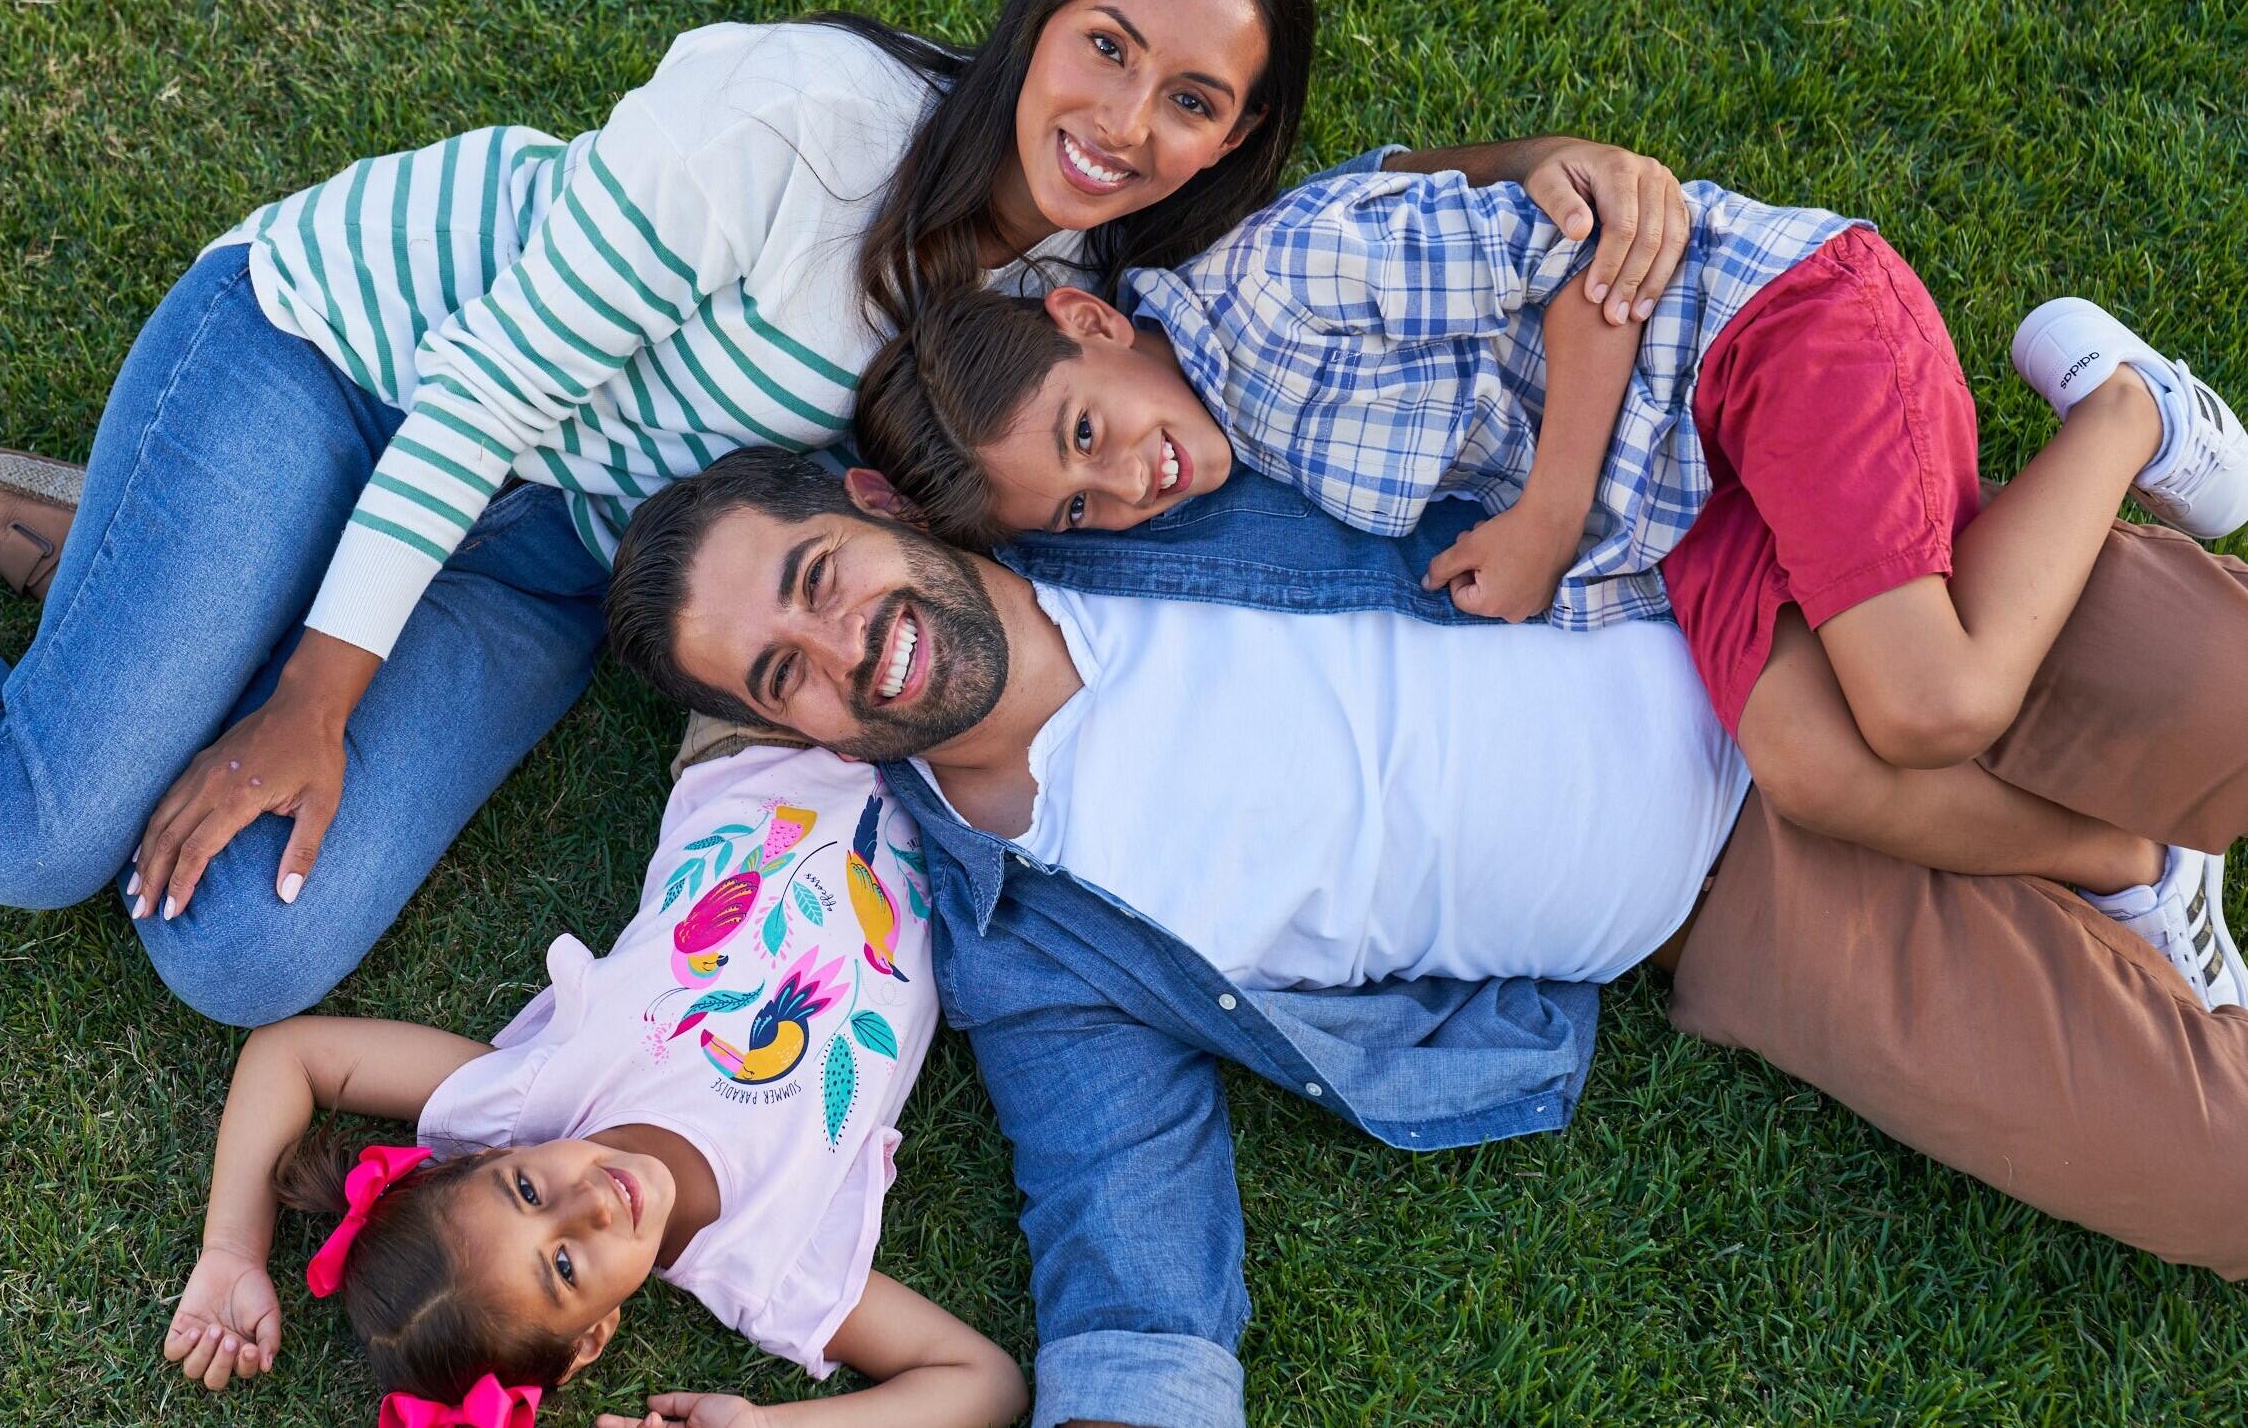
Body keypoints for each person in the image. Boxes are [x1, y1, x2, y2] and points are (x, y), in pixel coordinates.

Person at [0, 0, 1691, 1026]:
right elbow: (484, 391)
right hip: (361, 363)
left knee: (234, 955)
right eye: (1108, 44)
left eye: (1195, 103)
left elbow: (1337, 256)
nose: (1125, 118)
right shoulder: (795, 116)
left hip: (562, 556)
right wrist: (310, 694)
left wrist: (1535, 165)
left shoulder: (1137, 274)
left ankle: (151, 568)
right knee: (37, 833)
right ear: (1039, 14)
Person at [601, 445, 2248, 1428]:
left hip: (1776, 594)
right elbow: (1127, 1245)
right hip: (1744, 900)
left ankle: (2131, 797)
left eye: (818, 577)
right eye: (784, 675)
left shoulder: (1136, 468)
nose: (848, 650)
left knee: (2213, 690)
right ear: (795, 731)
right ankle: (2122, 877)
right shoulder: (1029, 934)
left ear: (878, 503)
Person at [845, 169, 2248, 1000]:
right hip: (1695, 503)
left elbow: (1588, 250)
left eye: (1086, 432)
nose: (1130, 486)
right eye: (1079, 505)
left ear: (1089, 319)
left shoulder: (1278, 281)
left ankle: (2124, 409)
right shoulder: (1225, 441)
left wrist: (1545, 515)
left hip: (1763, 337)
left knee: (1926, 702)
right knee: (1814, 766)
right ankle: (2130, 864)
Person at [161, 741, 1018, 1427]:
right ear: (590, 1342)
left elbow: (290, 1055)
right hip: (965, 823)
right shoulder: (769, 1265)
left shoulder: (536, 1095)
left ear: (494, 1148)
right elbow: (982, 1381)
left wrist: (231, 1248)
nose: (591, 1203)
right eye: (565, 1265)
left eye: (527, 1186)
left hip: (766, 726)